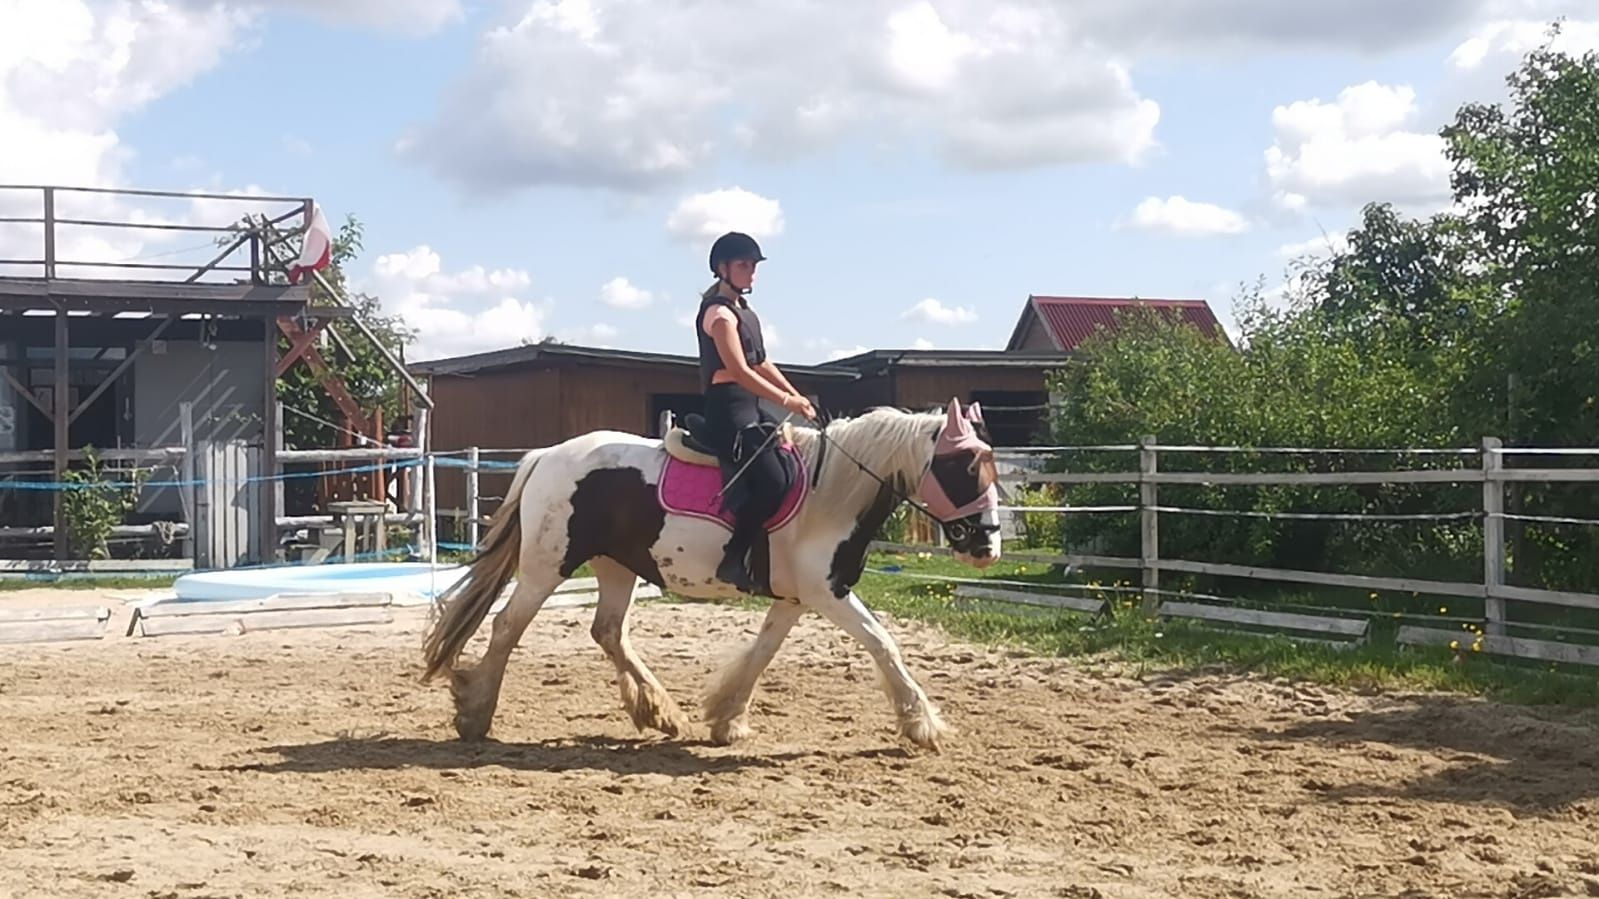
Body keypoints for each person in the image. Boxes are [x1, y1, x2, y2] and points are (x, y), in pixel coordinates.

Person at [695, 231, 817, 593]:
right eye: (744, 265)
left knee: (791, 466)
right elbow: (739, 371)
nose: (751, 272)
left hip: (750, 405)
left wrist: (798, 397)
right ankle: (733, 557)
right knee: (772, 480)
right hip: (727, 409)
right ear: (723, 269)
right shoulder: (719, 315)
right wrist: (785, 402)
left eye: (753, 266)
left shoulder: (745, 314)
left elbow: (761, 361)